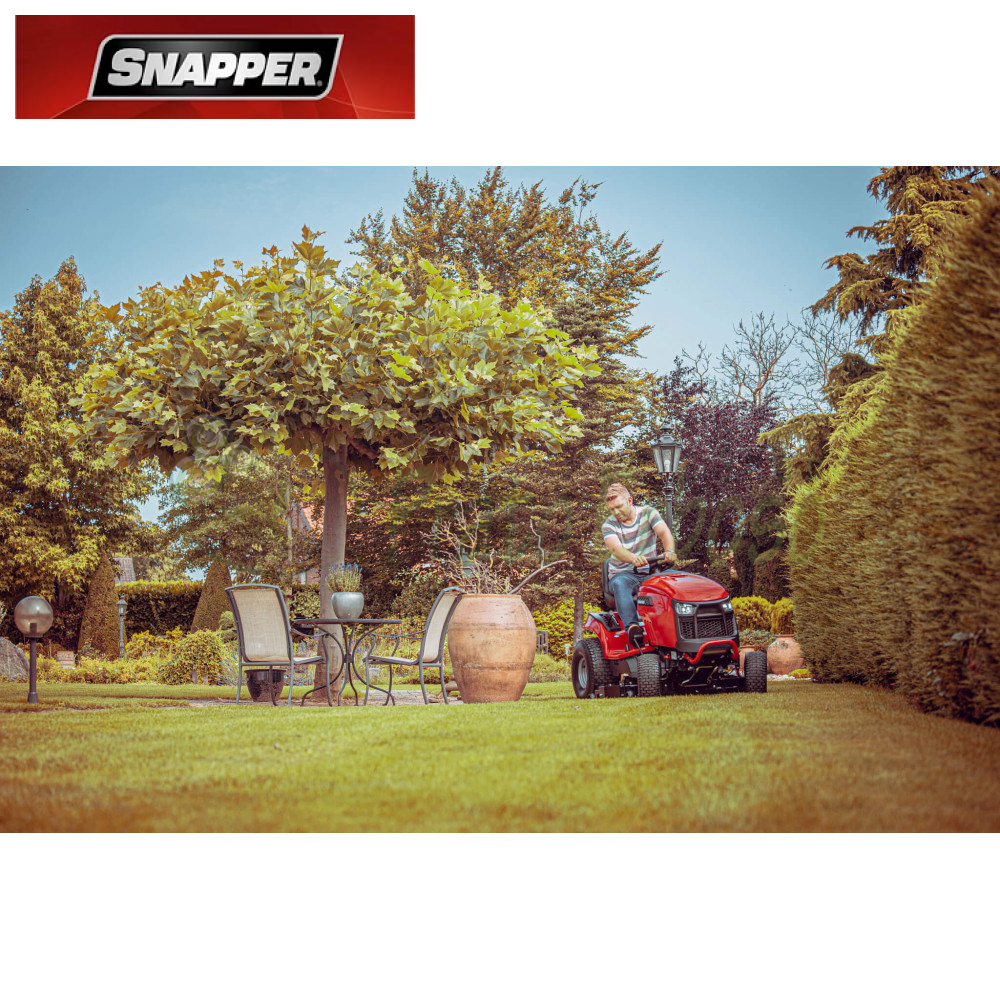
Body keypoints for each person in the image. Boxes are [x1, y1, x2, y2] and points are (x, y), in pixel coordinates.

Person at [601, 483, 676, 648]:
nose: (616, 512)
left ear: (630, 500)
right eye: (612, 509)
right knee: (620, 584)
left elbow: (664, 532)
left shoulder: (648, 513)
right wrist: (633, 558)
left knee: (676, 580)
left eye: (619, 507)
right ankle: (633, 628)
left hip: (651, 572)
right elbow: (616, 549)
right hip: (624, 574)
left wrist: (669, 550)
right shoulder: (609, 525)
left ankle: (677, 627)